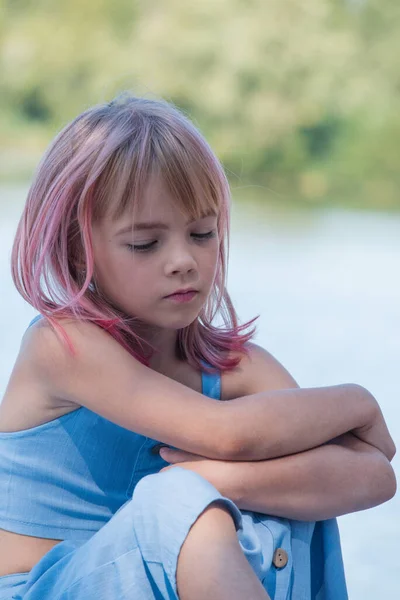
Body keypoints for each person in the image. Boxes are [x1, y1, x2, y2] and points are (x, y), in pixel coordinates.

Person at [0, 92, 396, 600]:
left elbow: (373, 473)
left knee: (294, 509)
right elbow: (226, 434)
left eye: (202, 233)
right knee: (178, 499)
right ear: (80, 252)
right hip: (48, 587)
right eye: (146, 243)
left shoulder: (237, 368)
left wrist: (220, 479)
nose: (183, 260)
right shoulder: (61, 345)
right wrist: (357, 401)